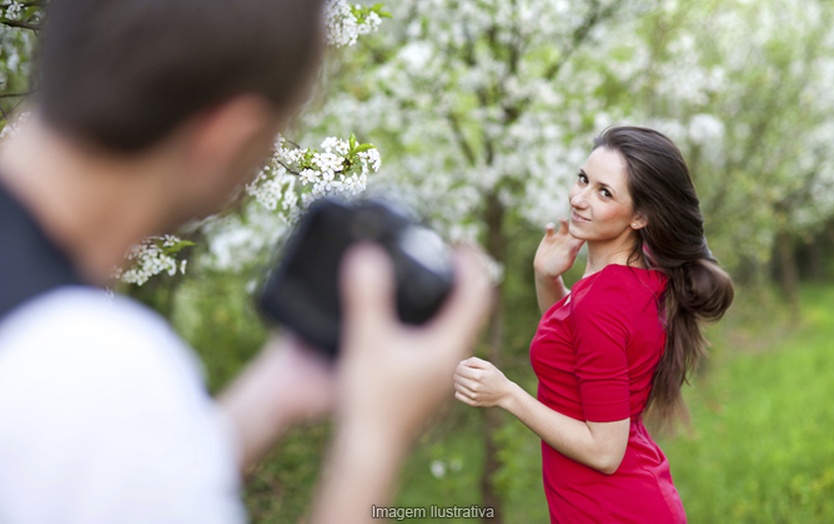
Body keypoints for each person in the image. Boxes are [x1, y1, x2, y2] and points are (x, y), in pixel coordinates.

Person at [0, 0, 493, 523]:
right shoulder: (95, 370)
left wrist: (274, 394)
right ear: (226, 136)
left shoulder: (70, 388)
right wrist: (373, 440)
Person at [454, 125, 733, 523]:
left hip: (613, 509)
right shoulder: (634, 283)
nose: (579, 199)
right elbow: (573, 346)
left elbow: (605, 452)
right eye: (583, 179)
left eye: (604, 192)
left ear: (640, 216)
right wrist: (547, 278)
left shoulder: (604, 300)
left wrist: (507, 394)